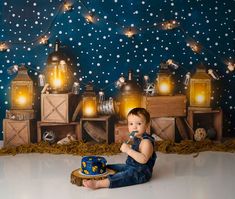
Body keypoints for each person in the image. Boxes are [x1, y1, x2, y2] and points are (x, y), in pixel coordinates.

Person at [83, 107, 157, 189]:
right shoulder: (137, 138)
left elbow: (143, 159)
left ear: (147, 124)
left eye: (139, 124)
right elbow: (137, 150)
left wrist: (128, 150)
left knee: (123, 176)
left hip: (141, 172)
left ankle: (98, 184)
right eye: (131, 124)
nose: (134, 127)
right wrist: (130, 147)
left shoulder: (146, 142)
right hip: (131, 166)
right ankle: (98, 171)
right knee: (111, 167)